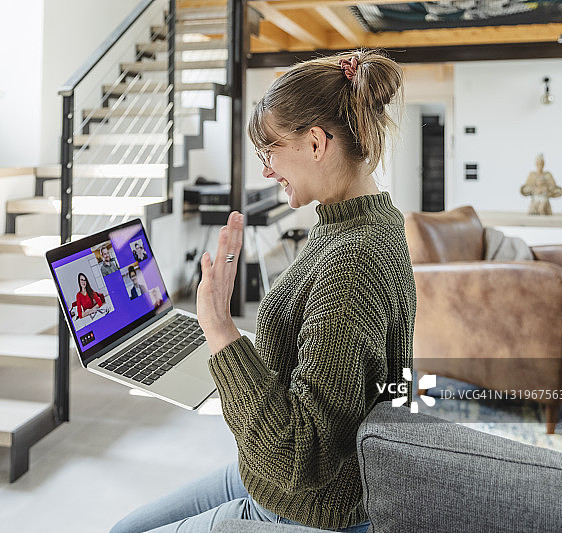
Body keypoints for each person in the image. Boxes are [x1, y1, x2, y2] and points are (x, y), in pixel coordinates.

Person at [111, 50, 416, 533]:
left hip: (304, 504)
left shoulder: (352, 261)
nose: (267, 170)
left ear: (316, 142)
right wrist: (231, 356)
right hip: (269, 481)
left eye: (270, 150)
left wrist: (219, 331)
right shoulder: (359, 222)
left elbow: (302, 458)